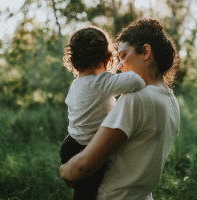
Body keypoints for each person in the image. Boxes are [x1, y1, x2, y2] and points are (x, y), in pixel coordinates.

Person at [59, 18, 180, 200]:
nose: (120, 66)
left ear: (146, 52)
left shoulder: (136, 98)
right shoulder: (170, 100)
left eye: (123, 55)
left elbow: (83, 166)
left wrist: (64, 170)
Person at [59, 26, 146, 200]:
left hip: (70, 144)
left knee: (81, 191)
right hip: (86, 148)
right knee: (89, 195)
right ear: (107, 59)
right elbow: (137, 81)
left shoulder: (77, 84)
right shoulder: (101, 82)